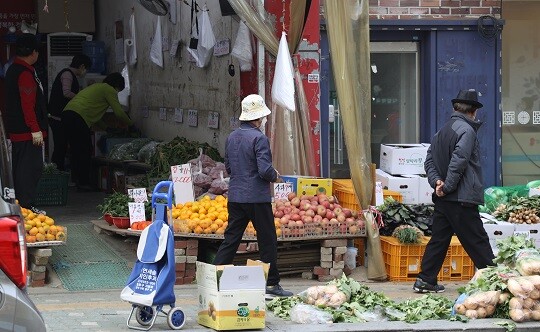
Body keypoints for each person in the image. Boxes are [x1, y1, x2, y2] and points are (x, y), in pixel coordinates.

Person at [413, 89, 495, 293]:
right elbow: (459, 162)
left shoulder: (443, 130)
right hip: (460, 197)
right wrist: (446, 186)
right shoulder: (467, 131)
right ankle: (495, 280)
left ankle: (425, 280)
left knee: (439, 239)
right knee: (477, 239)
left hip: (445, 198)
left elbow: (429, 160)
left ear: (455, 108)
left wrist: (436, 182)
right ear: (474, 111)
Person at [213, 94, 293, 298]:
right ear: (257, 119)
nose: (264, 120)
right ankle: (272, 284)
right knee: (267, 239)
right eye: (263, 117)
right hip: (257, 198)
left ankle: (214, 278)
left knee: (231, 238)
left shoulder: (231, 137)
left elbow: (229, 167)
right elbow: (265, 171)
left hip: (236, 196)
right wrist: (276, 176)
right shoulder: (259, 138)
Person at [62, 72, 133, 192]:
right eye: (118, 91)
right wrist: (132, 125)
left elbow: (94, 115)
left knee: (76, 150)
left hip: (67, 114)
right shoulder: (108, 89)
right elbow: (119, 112)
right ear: (116, 85)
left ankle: (77, 181)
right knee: (85, 149)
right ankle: (84, 182)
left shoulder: (96, 87)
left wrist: (106, 128)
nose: (116, 94)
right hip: (77, 118)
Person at [2, 33, 48, 215]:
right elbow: (27, 105)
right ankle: (26, 206)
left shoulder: (14, 69)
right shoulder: (24, 73)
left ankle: (22, 205)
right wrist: (35, 129)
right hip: (27, 132)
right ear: (34, 52)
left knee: (21, 168)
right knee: (30, 169)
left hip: (18, 131)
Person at [48, 54, 91, 171]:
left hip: (61, 118)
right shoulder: (67, 74)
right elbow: (66, 92)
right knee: (60, 148)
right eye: (86, 68)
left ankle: (60, 173)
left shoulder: (70, 75)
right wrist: (80, 98)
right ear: (82, 66)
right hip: (58, 118)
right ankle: (56, 173)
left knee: (62, 147)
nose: (85, 72)